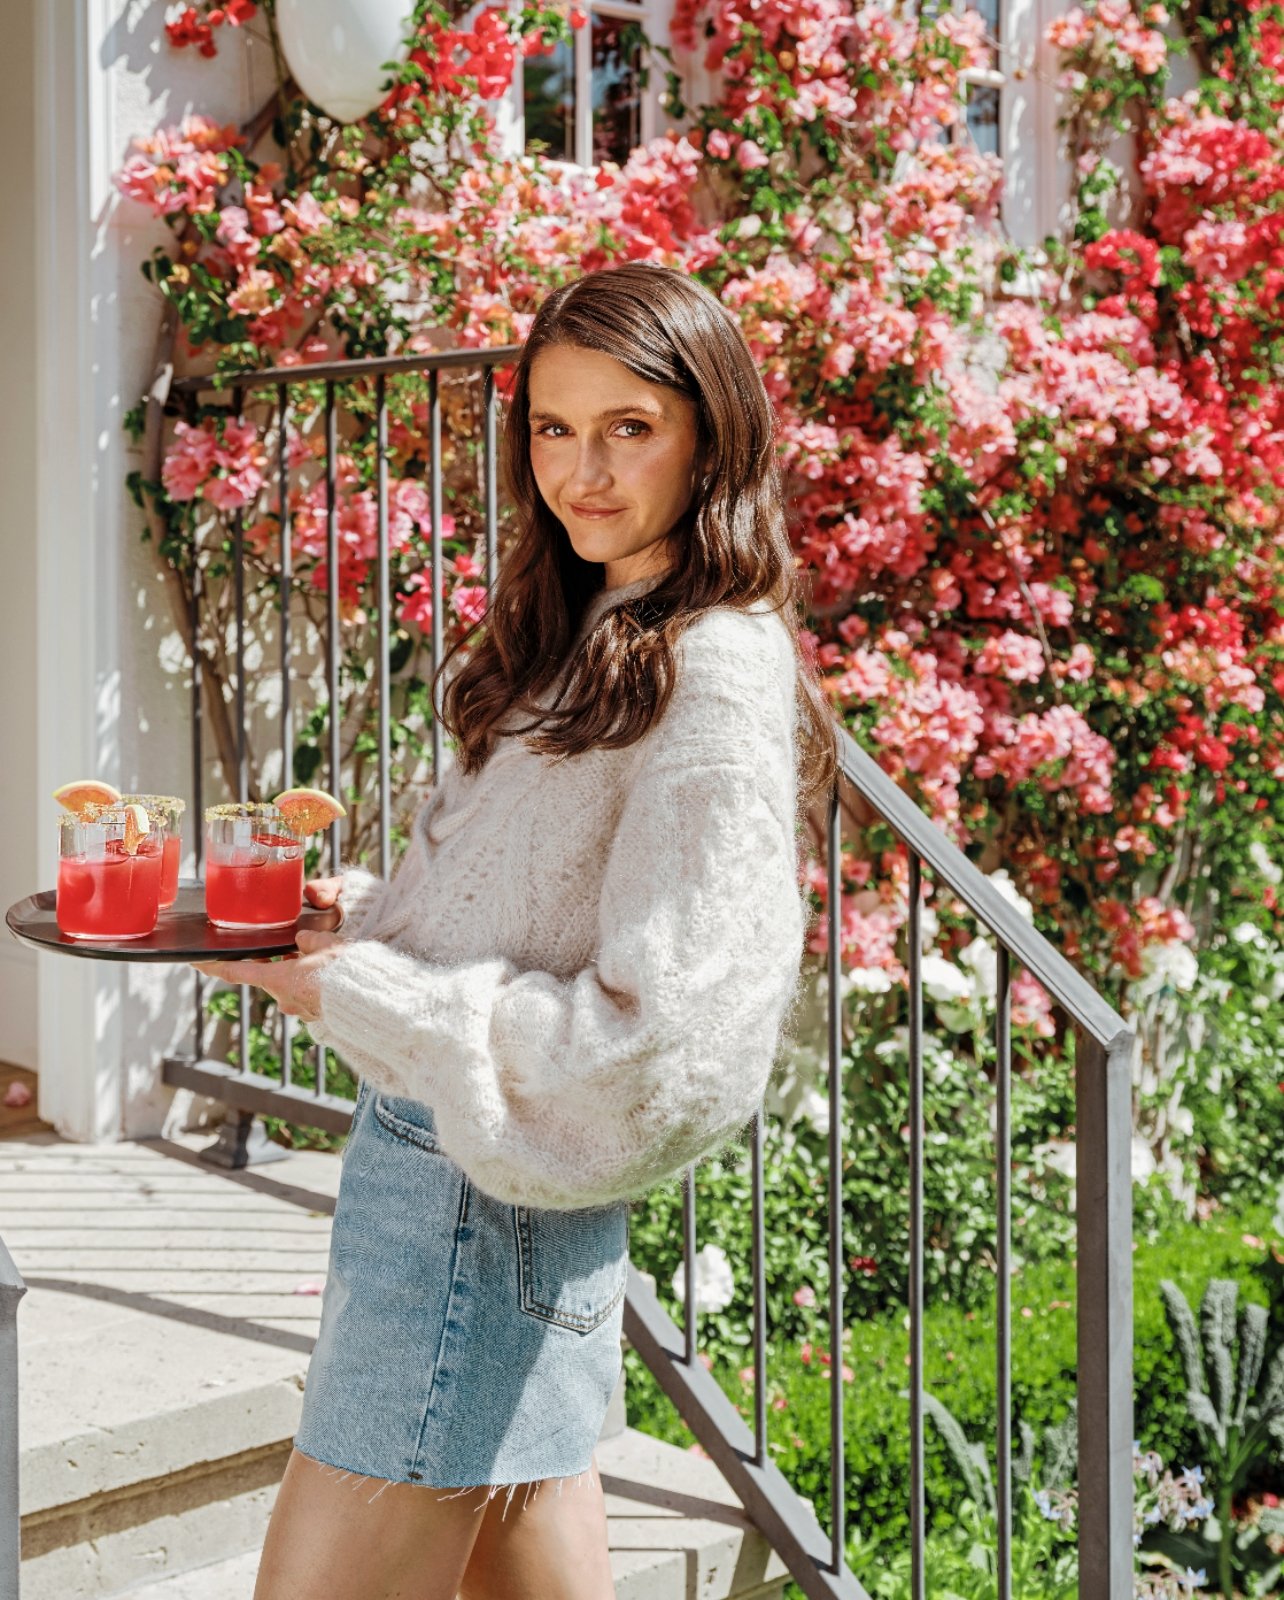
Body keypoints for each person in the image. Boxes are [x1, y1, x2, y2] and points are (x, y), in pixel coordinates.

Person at [193, 260, 837, 1600]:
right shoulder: (598, 621)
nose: (582, 471)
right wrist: (359, 923)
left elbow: (666, 1050)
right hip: (468, 1192)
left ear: (711, 432)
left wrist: (352, 996)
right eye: (553, 427)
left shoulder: (710, 665)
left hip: (475, 1214)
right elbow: (530, 909)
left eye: (629, 427)